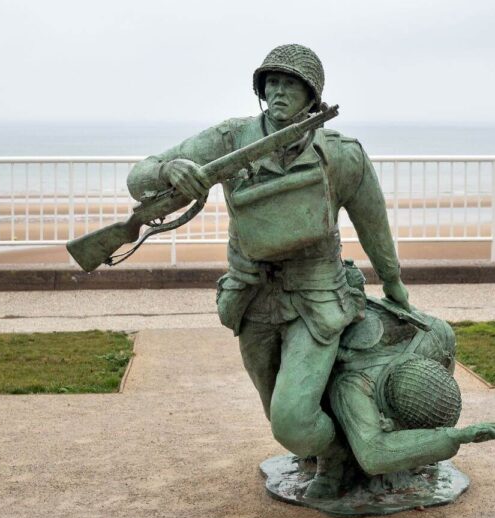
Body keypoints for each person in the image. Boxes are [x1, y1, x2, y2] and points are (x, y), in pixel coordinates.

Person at [126, 44, 409, 476]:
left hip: (316, 298)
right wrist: (169, 171)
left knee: (292, 421)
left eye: (290, 85)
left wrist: (393, 283)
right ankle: (329, 450)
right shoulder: (229, 139)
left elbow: (374, 225)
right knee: (273, 406)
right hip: (252, 297)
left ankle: (338, 461)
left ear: (312, 96)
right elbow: (140, 176)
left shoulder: (342, 153)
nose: (278, 92)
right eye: (271, 83)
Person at [314, 296, 495, 497]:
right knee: (315, 414)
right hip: (324, 337)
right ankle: (332, 460)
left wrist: (430, 441)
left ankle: (412, 449)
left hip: (382, 338)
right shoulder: (353, 385)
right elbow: (373, 454)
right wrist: (454, 436)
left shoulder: (437, 336)